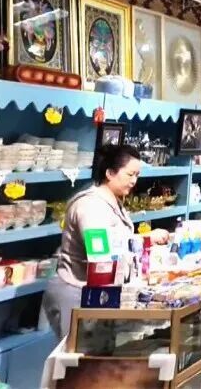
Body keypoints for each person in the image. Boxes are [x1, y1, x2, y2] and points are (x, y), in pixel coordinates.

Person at [41, 144, 141, 340]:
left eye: (137, 175)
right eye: (130, 174)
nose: (134, 181)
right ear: (110, 173)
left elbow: (118, 242)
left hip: (96, 291)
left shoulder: (112, 201)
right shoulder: (91, 206)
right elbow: (100, 256)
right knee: (77, 355)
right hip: (78, 293)